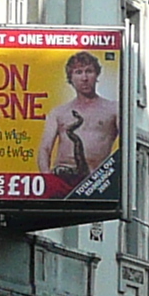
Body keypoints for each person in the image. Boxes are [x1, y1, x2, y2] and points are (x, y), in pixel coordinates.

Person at [36, 49, 120, 190]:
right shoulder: (59, 112)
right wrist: (48, 179)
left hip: (96, 181)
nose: (84, 78)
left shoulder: (113, 108)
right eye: (78, 72)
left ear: (96, 74)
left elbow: (126, 147)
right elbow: (45, 148)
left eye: (89, 71)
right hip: (62, 176)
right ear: (71, 78)